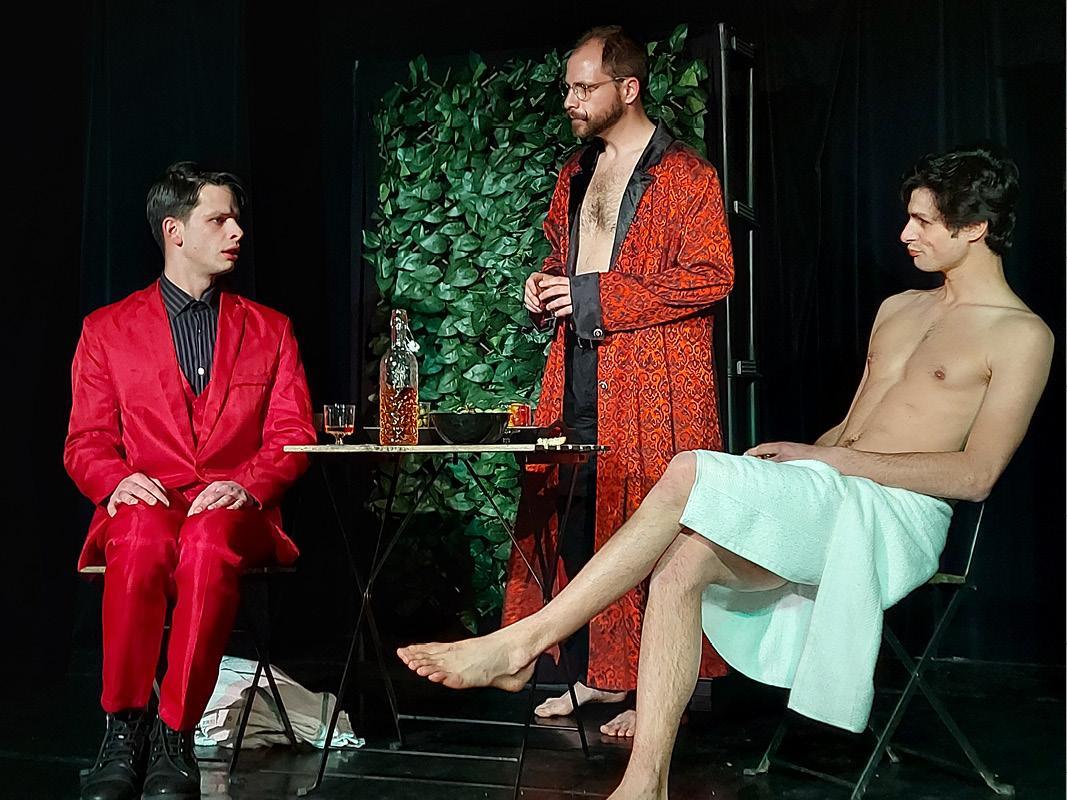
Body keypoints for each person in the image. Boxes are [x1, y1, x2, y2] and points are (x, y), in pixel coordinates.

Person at [400, 146, 1053, 798]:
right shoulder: (899, 308)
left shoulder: (1020, 334)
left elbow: (976, 475)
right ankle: (644, 785)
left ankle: (523, 643)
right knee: (680, 566)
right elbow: (857, 427)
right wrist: (794, 464)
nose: (905, 234)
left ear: (975, 226)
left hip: (895, 516)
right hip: (828, 491)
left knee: (689, 469)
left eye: (923, 221)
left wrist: (826, 460)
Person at [507, 24, 734, 737]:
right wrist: (545, 284)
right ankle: (594, 676)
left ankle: (653, 688)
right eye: (568, 87)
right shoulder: (574, 172)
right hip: (578, 366)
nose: (570, 100)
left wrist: (594, 295)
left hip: (653, 378)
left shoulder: (686, 174)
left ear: (627, 88)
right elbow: (564, 254)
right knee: (578, 517)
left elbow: (711, 276)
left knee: (647, 525)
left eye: (584, 87)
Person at [65, 162, 315, 800]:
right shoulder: (106, 330)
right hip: (148, 499)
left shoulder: (270, 329)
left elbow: (293, 434)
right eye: (219, 219)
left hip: (235, 510)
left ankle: (175, 733)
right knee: (140, 538)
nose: (237, 231)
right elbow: (85, 440)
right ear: (174, 231)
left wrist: (249, 484)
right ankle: (124, 729)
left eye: (237, 219)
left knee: (206, 542)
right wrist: (116, 482)